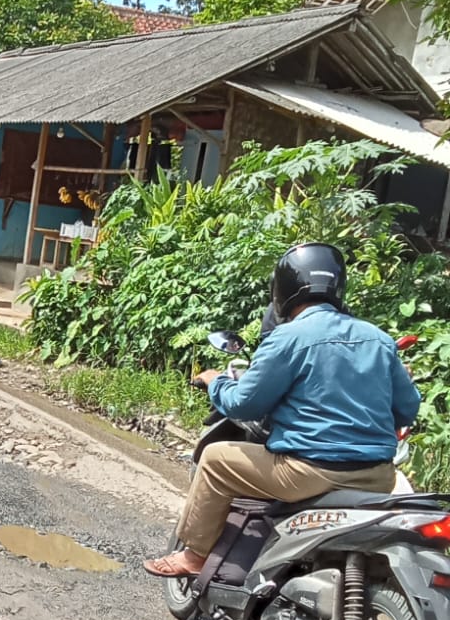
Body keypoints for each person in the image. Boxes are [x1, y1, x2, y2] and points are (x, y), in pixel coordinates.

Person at [144, 242, 421, 578]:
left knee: (216, 459)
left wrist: (215, 381)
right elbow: (407, 409)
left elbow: (244, 403)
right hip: (377, 477)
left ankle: (194, 555)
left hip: (308, 474)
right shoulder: (378, 339)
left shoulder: (288, 337)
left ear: (284, 291)